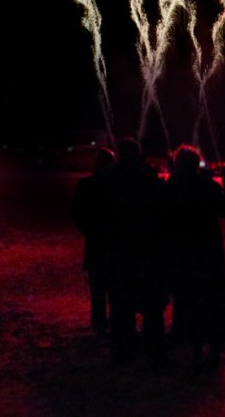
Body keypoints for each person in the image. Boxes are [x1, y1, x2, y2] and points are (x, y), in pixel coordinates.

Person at [162, 145, 225, 372]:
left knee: (188, 300)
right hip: (207, 251)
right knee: (211, 300)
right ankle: (213, 347)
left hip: (182, 252)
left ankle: (193, 347)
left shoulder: (171, 186)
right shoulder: (206, 186)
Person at [106, 138, 165, 366]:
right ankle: (153, 347)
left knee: (121, 305)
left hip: (119, 251)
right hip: (146, 250)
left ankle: (122, 350)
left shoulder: (109, 179)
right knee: (151, 304)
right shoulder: (148, 178)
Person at [71, 147, 116, 335]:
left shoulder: (86, 184)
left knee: (97, 289)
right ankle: (116, 322)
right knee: (115, 288)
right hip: (115, 244)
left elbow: (77, 214)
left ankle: (99, 323)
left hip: (96, 243)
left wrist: (90, 230)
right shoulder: (117, 185)